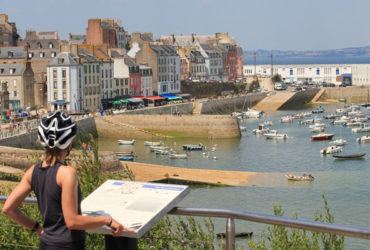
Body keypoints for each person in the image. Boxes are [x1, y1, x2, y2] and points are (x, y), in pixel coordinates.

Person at [2, 111, 133, 249]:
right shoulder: (67, 173)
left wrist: (37, 228)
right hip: (68, 245)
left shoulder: (33, 171)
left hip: (46, 244)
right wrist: (108, 220)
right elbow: (72, 221)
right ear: (70, 142)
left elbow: (8, 208)